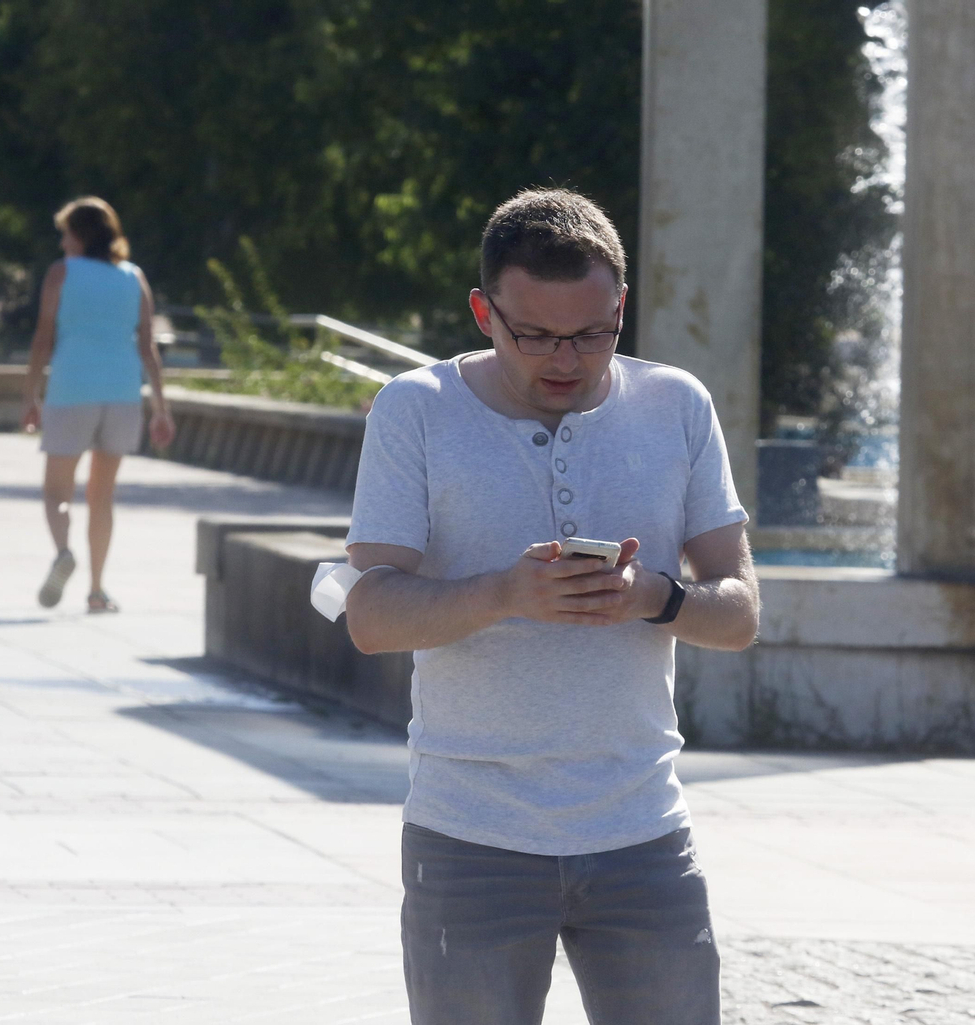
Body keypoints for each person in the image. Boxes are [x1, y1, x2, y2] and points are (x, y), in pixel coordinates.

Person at [318, 187, 758, 1025]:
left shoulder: (677, 406)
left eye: (593, 333)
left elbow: (738, 613)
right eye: (537, 335)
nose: (567, 358)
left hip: (643, 828)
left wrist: (652, 599)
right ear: (485, 311)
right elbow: (371, 615)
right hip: (470, 832)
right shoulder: (417, 409)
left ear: (622, 309)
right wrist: (505, 593)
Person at [22, 197, 174, 613]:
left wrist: (30, 394)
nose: (62, 240)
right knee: (102, 496)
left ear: (80, 234)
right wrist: (161, 408)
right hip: (122, 393)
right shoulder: (133, 277)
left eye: (65, 232)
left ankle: (62, 552)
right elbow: (148, 348)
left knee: (57, 491)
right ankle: (97, 590)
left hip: (72, 389)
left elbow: (43, 337)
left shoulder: (61, 273)